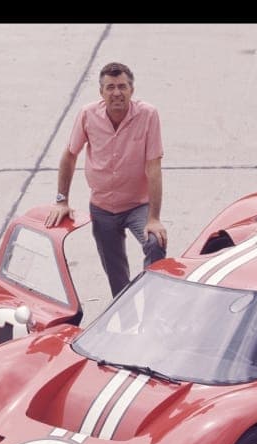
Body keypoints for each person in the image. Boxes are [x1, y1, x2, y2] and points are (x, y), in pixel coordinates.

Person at [45, 62, 167, 297]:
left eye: (122, 87)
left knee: (155, 242)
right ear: (101, 93)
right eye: (110, 87)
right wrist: (61, 200)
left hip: (137, 206)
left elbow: (154, 167)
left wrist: (154, 218)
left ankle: (153, 299)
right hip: (102, 209)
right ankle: (125, 320)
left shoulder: (148, 115)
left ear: (132, 90)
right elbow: (70, 155)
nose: (117, 93)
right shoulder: (88, 115)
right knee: (116, 277)